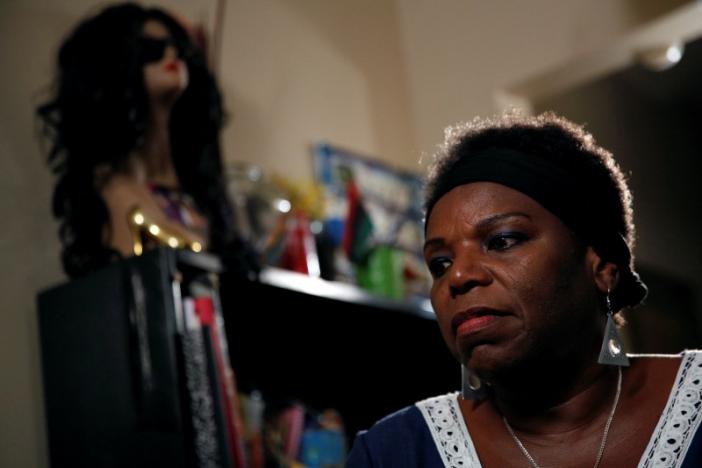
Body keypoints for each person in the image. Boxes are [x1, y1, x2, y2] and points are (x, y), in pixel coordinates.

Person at [346, 112, 701, 467]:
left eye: (502, 241)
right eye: (440, 264)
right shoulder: (392, 453)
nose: (457, 277)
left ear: (604, 267)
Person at [38, 3, 257, 278]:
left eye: (178, 47)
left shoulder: (204, 196)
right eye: (150, 50)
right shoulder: (115, 190)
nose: (170, 54)